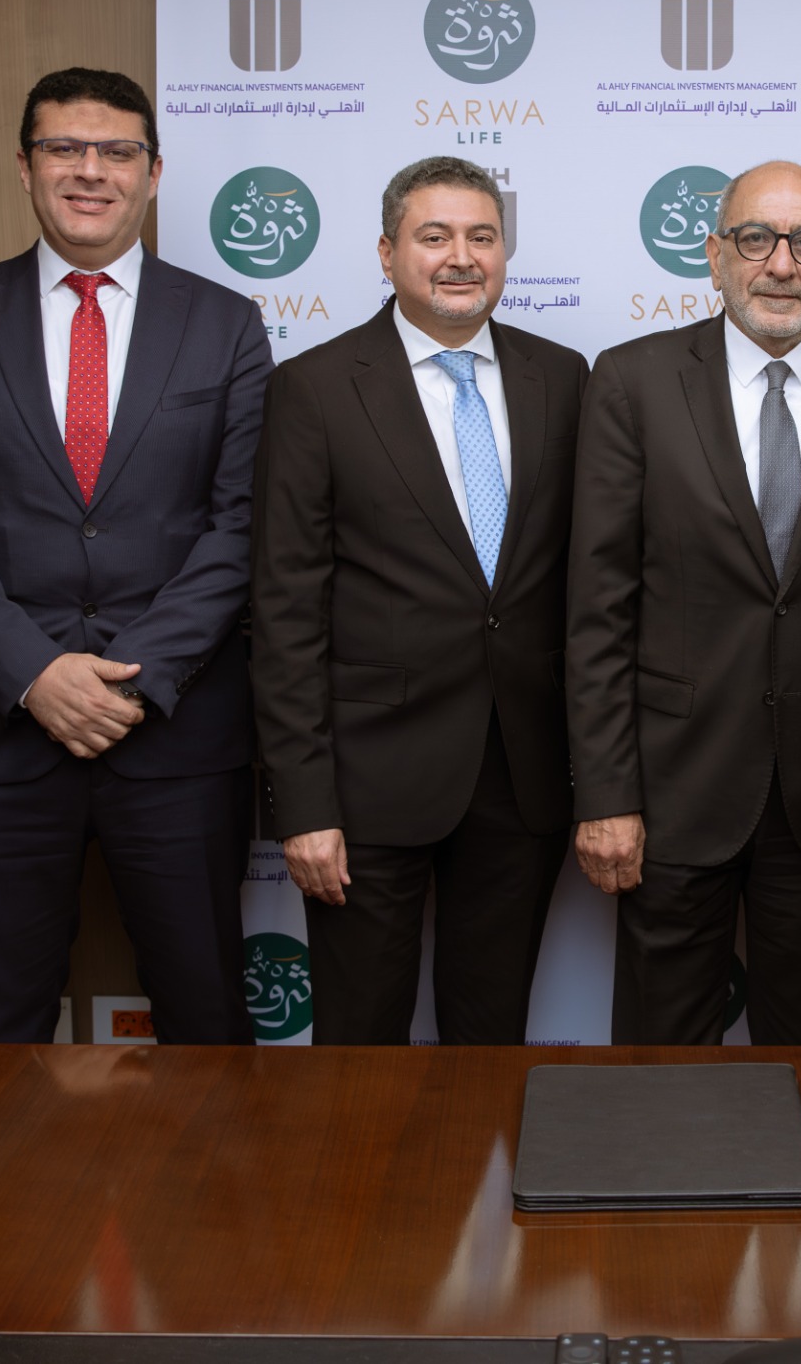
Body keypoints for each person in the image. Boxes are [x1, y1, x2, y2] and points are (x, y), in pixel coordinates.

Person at [0, 67, 273, 1044]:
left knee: (207, 1026)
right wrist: (36, 673)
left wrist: (135, 678)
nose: (89, 170)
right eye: (63, 148)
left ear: (153, 173)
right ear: (24, 167)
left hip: (177, 739)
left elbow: (242, 523)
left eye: (116, 151)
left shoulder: (224, 322)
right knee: (0, 1026)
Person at [569, 159, 801, 1046]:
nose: (780, 264)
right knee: (659, 1066)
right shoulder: (633, 380)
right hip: (672, 790)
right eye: (755, 239)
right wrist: (607, 795)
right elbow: (597, 612)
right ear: (714, 254)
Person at [253, 156, 586, 1044]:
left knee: (491, 1038)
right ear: (387, 252)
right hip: (367, 783)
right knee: (361, 1046)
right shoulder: (315, 389)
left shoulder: (563, 379)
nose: (461, 257)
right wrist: (304, 805)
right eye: (434, 236)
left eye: (482, 236)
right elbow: (284, 613)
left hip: (521, 775)